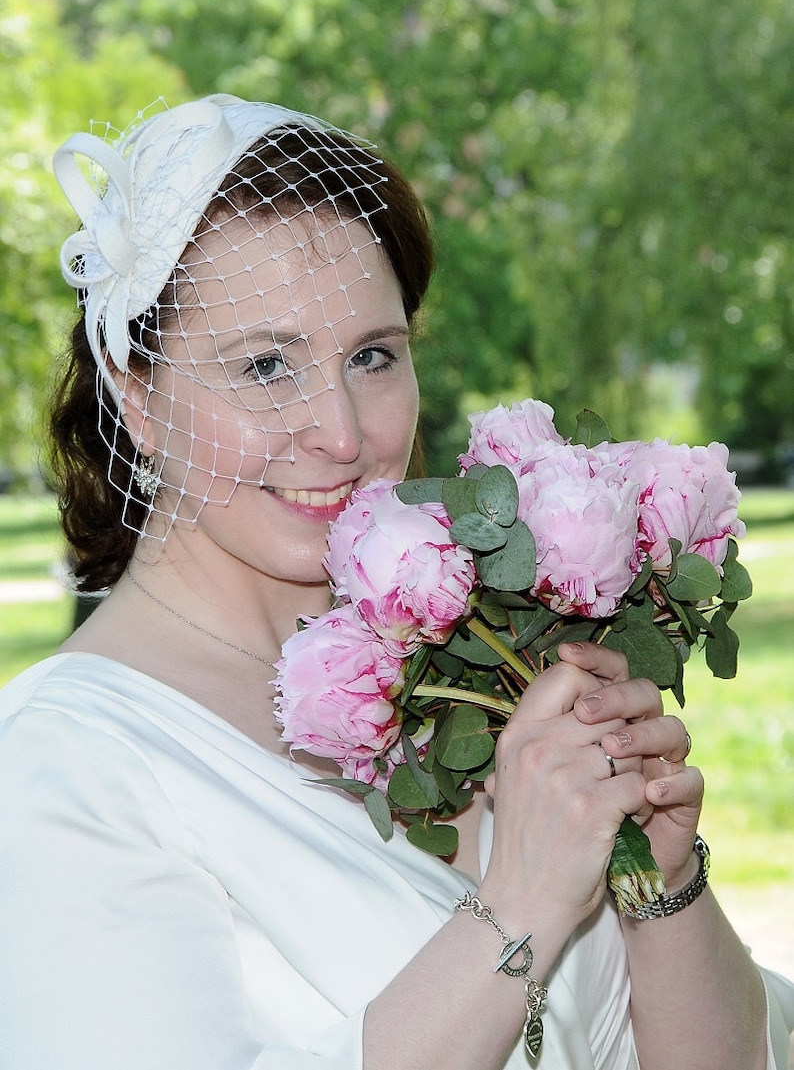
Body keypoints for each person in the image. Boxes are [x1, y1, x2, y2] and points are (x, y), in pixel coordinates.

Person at [0, 93, 791, 1070]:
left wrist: (658, 876)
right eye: (263, 367)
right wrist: (519, 907)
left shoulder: (486, 661)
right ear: (137, 394)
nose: (342, 432)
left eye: (372, 355)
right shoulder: (63, 771)